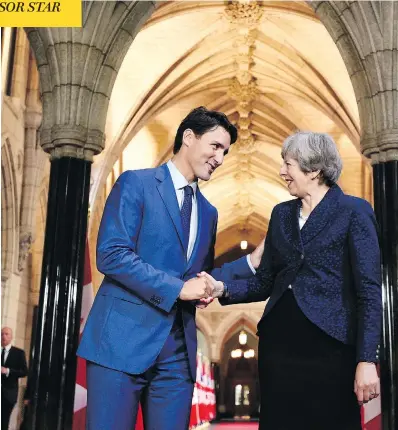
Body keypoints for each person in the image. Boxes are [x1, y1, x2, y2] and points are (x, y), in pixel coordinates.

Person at [77, 106, 264, 430]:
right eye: (216, 146)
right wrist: (178, 288)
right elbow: (111, 254)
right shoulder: (136, 183)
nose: (220, 158)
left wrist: (251, 263)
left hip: (177, 353)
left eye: (225, 152)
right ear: (188, 137)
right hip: (122, 341)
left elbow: (197, 279)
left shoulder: (209, 212)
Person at [202, 131, 382, 430]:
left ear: (314, 170)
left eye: (289, 164)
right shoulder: (281, 214)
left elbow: (369, 292)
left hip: (331, 347)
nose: (282, 172)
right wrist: (222, 288)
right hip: (279, 344)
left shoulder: (353, 211)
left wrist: (366, 360)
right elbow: (264, 282)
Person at [1, 327, 28, 430]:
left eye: (6, 334)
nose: (4, 336)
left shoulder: (18, 353)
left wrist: (8, 371)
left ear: (11, 337)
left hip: (8, 394)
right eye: (2, 334)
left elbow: (24, 372)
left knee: (4, 420)